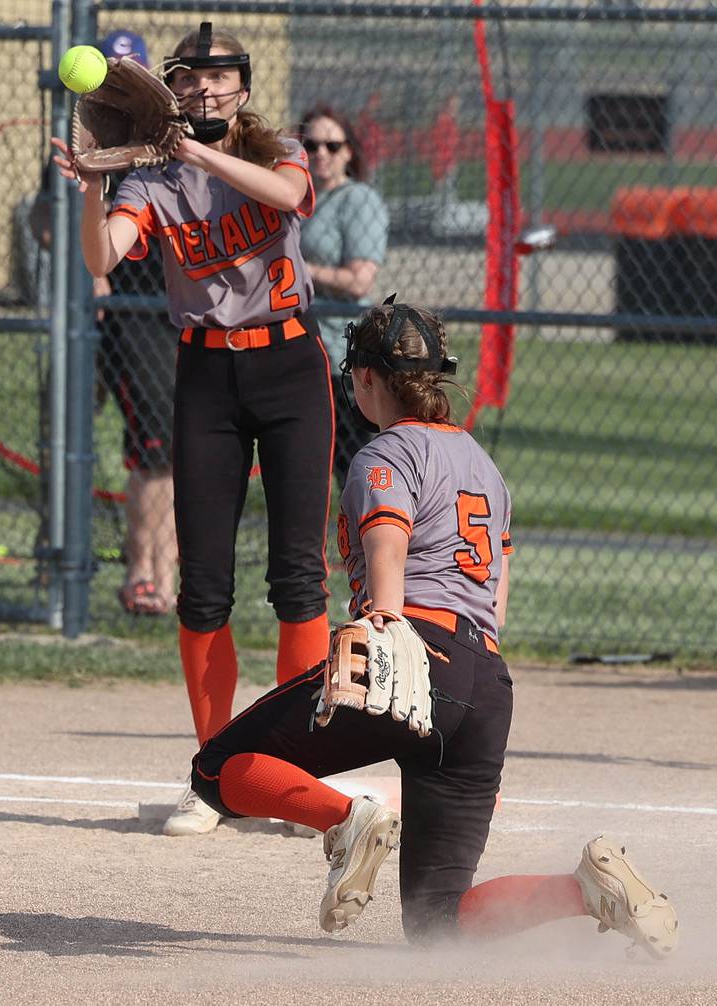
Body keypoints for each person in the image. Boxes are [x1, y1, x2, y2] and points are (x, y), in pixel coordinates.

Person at [186, 301, 679, 956]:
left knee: (217, 770)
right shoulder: (486, 466)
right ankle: (585, 890)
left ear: (364, 380)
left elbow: (388, 541)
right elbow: (494, 601)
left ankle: (348, 821)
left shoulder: (381, 454)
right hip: (485, 685)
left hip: (417, 653)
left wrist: (386, 623)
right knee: (439, 923)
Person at [52, 23, 334, 836]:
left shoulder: (276, 147)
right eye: (189, 78)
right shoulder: (151, 177)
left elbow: (287, 198)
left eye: (220, 77)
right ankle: (214, 774)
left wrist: (195, 153)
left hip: (290, 367)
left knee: (298, 577)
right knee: (204, 585)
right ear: (169, 87)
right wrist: (95, 184)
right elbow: (104, 260)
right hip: (206, 376)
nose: (205, 90)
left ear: (243, 86)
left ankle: (293, 773)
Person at [95, 30, 179, 616]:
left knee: (179, 453)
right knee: (154, 451)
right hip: (130, 315)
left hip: (178, 310)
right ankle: (144, 571)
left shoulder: (166, 139)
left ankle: (164, 572)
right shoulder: (95, 135)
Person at [298, 106, 389, 487]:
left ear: (349, 151)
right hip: (302, 348)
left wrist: (301, 270)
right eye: (311, 144)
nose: (321, 153)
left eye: (332, 145)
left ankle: (375, 545)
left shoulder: (358, 199)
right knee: (307, 466)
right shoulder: (298, 198)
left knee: (354, 467)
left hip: (340, 354)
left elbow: (359, 281)